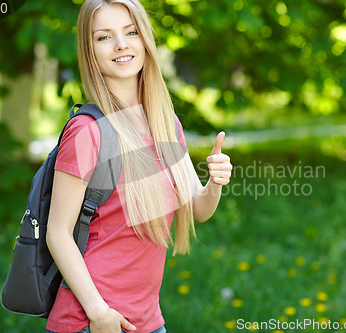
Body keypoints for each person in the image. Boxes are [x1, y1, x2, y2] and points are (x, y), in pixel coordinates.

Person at [45, 1, 232, 333]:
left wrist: (215, 182)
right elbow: (57, 233)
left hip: (148, 321)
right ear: (90, 51)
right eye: (104, 37)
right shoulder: (87, 131)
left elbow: (199, 209)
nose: (121, 44)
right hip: (92, 322)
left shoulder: (165, 123)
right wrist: (98, 313)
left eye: (130, 32)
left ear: (145, 39)